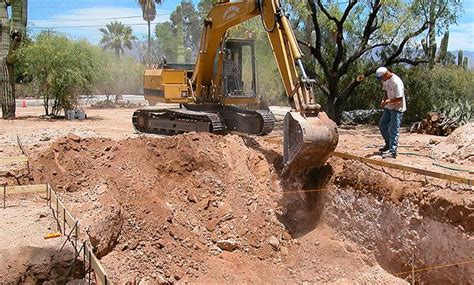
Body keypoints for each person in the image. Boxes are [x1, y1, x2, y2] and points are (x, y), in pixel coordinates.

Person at [376, 67, 406, 159]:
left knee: (394, 129)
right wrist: (383, 100)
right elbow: (385, 91)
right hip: (389, 107)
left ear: (385, 74)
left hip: (397, 108)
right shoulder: (385, 80)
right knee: (382, 124)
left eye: (381, 78)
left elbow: (399, 99)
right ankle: (388, 144)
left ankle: (393, 151)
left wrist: (388, 101)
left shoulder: (397, 82)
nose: (381, 80)